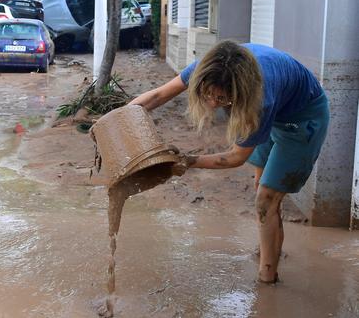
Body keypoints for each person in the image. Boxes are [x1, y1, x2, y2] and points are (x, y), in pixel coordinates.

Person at [129, 40, 329, 283]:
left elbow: (235, 157)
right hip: (278, 107)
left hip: (303, 118)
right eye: (208, 95)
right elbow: (159, 95)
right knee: (260, 186)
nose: (213, 104)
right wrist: (116, 120)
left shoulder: (259, 101)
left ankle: (268, 278)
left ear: (238, 92)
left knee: (266, 199)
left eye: (222, 98)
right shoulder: (208, 68)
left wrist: (185, 161)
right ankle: (269, 248)